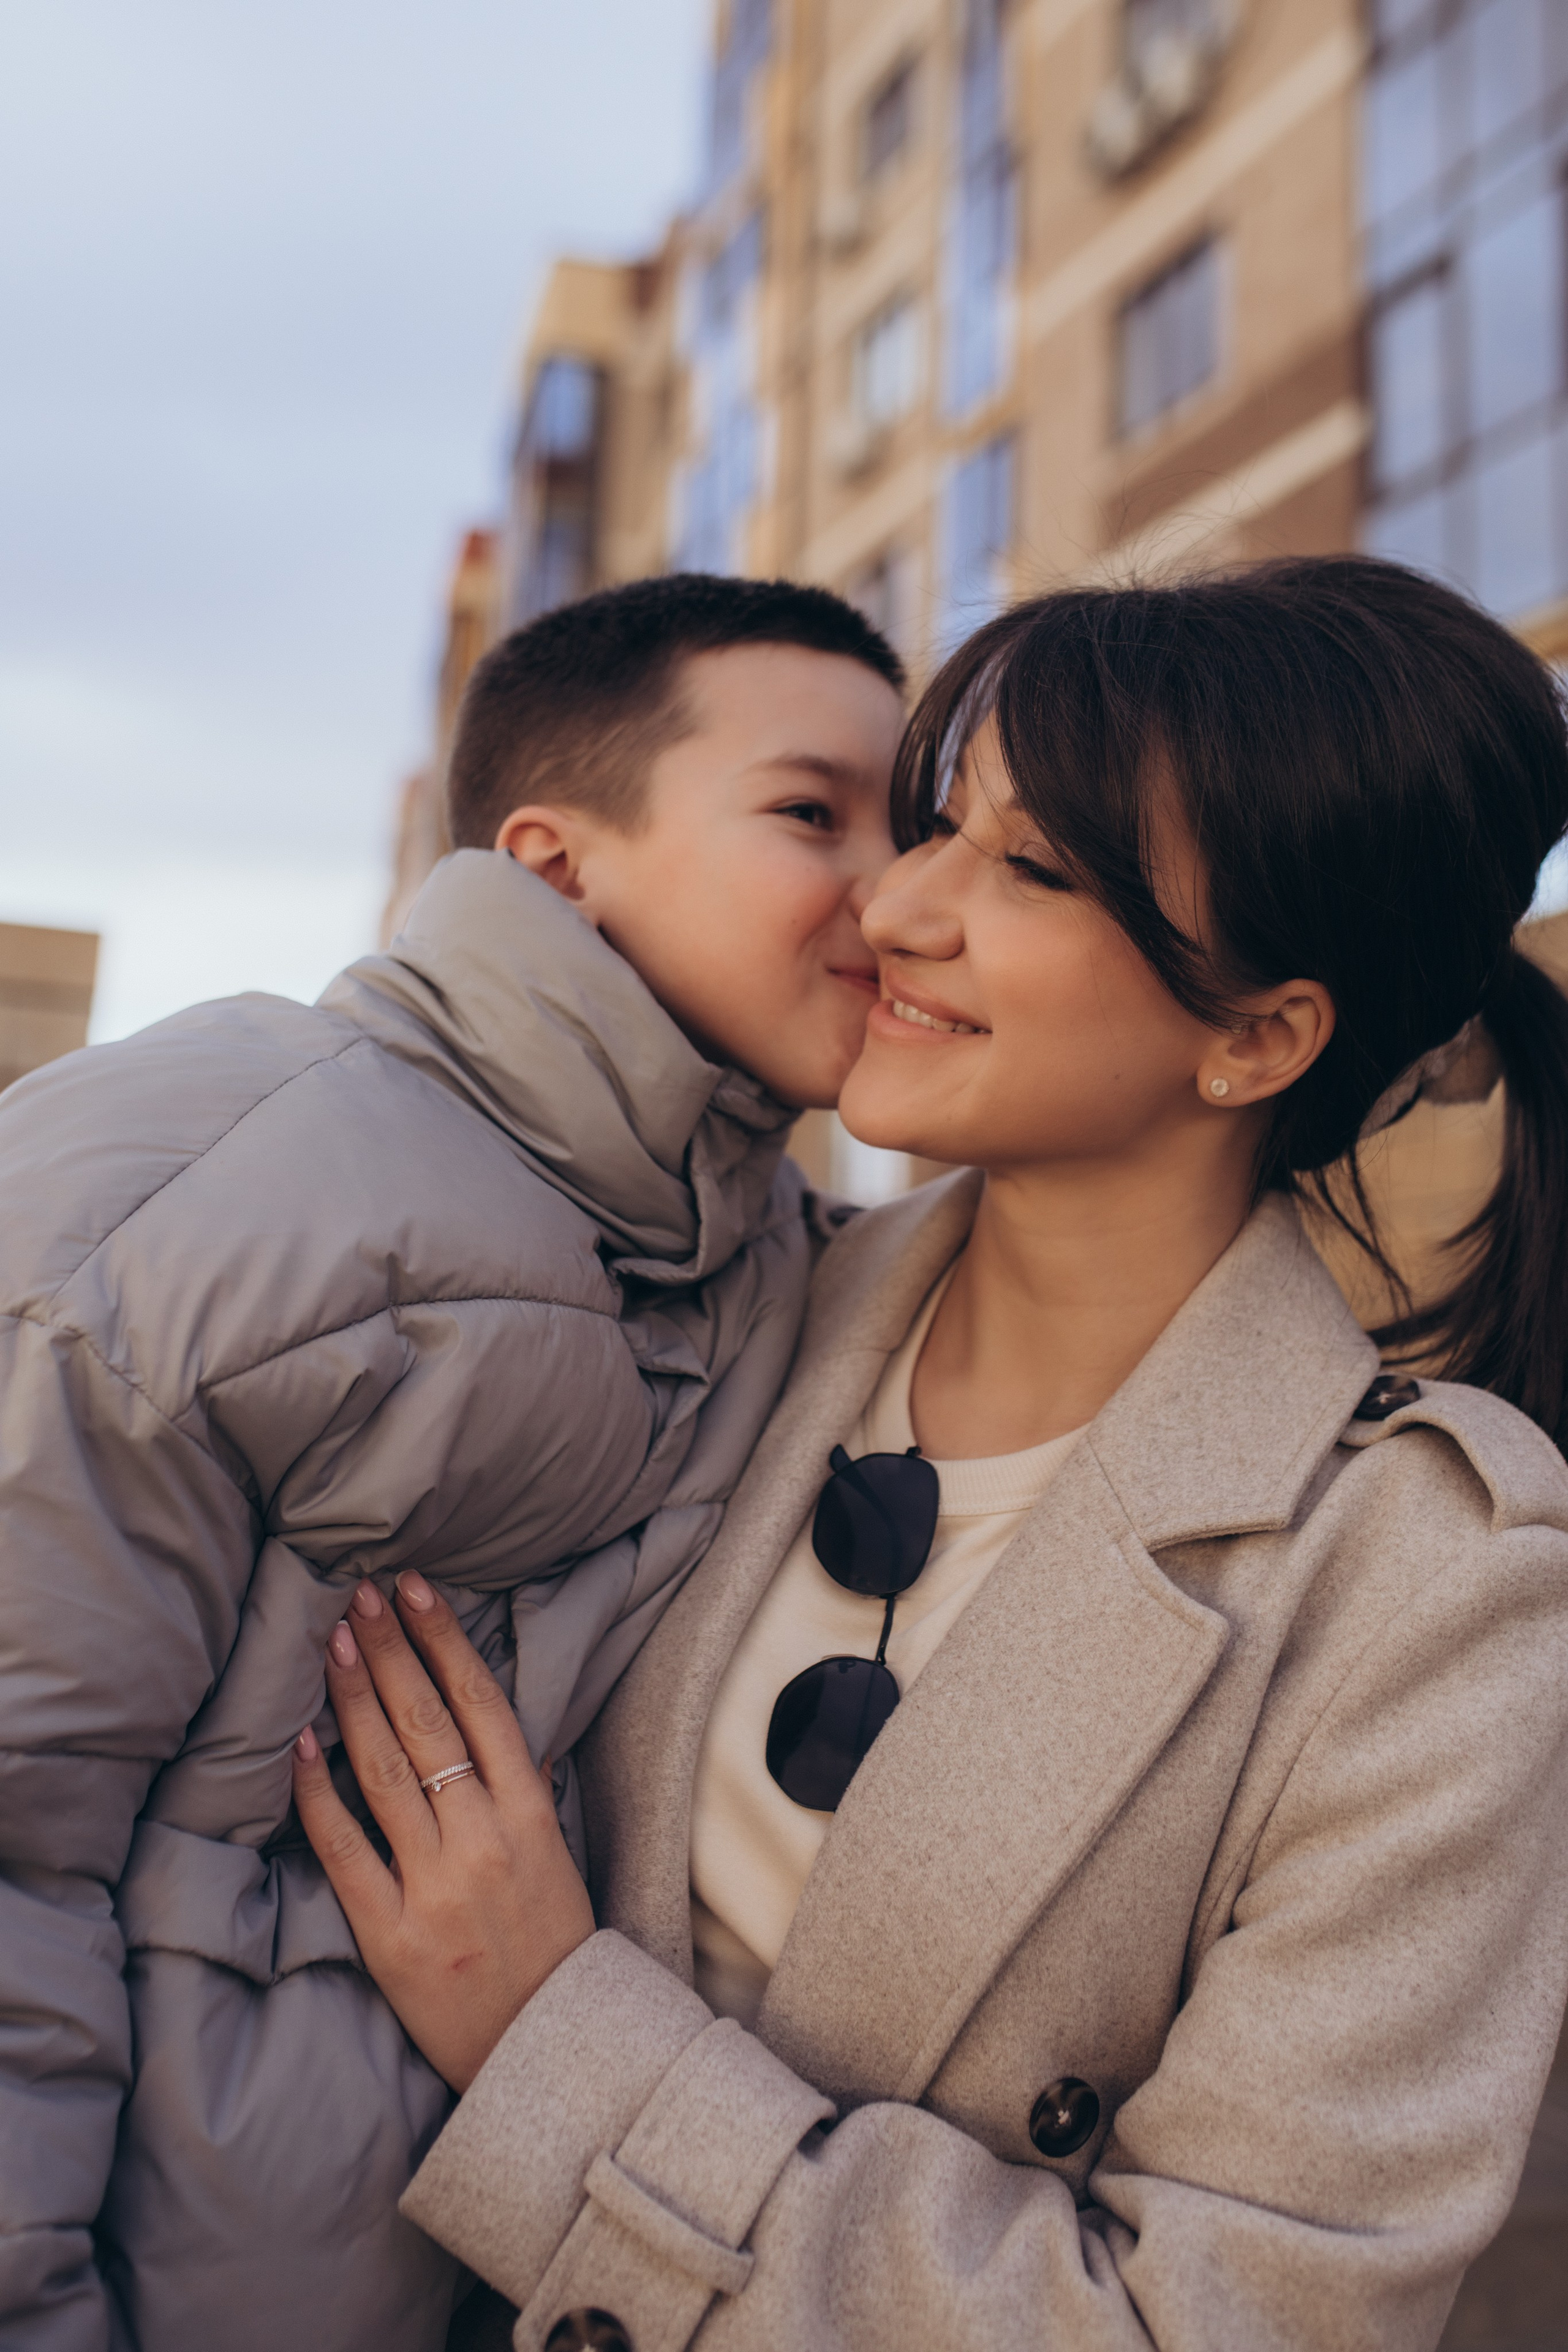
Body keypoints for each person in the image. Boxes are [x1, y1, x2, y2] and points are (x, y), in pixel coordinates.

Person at [298, 557, 1568, 2352]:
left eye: (1032, 872)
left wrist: (546, 2034)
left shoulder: (1432, 1585)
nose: (897, 908)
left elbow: (1225, 2322)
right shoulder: (728, 1309)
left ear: (1259, 1034)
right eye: (934, 828)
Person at [0, 574, 906, 2352]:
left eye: (924, 826)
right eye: (816, 813)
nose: (907, 889)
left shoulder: (789, 1264)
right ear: (558, 864)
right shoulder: (200, 1180)